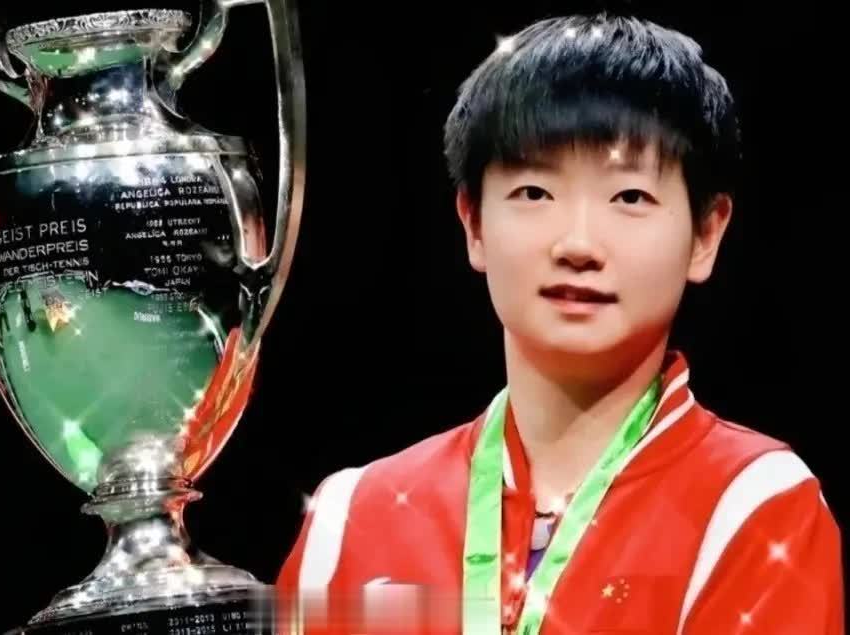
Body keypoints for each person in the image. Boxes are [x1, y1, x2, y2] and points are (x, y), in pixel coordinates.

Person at [275, 13, 844, 634]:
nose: (577, 244)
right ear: (473, 223)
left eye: (630, 197)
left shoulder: (751, 508)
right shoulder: (351, 518)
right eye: (534, 193)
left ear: (706, 234)